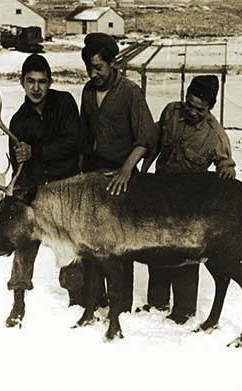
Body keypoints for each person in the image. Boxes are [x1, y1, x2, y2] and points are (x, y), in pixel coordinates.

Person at [139, 75, 236, 324]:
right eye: (189, 104)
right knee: (157, 247)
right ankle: (157, 302)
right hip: (160, 194)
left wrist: (226, 170)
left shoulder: (215, 134)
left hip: (189, 203)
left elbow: (226, 164)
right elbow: (155, 142)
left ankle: (184, 310)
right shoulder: (171, 111)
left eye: (199, 109)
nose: (192, 111)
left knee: (186, 253)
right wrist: (142, 172)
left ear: (210, 107)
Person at [79, 33, 159, 313]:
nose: (93, 73)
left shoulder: (130, 92)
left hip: (123, 178)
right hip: (95, 177)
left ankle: (121, 304)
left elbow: (146, 138)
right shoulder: (88, 92)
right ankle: (96, 298)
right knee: (94, 240)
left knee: (121, 242)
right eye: (89, 68)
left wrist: (126, 170)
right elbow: (85, 136)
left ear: (114, 64)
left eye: (99, 67)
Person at [5, 53, 84, 327]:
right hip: (36, 191)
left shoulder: (64, 104)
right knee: (23, 243)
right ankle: (18, 302)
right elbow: (18, 163)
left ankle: (76, 300)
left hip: (66, 191)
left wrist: (35, 151)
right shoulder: (18, 122)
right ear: (22, 82)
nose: (36, 88)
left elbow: (73, 142)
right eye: (30, 82)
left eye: (42, 82)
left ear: (50, 82)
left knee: (70, 247)